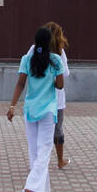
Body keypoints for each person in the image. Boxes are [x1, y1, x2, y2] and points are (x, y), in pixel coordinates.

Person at [7, 26, 64, 192]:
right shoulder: (55, 60)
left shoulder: (26, 59)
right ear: (49, 43)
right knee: (44, 151)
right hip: (48, 111)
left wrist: (12, 106)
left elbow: (20, 84)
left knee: (34, 152)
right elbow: (60, 86)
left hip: (30, 111)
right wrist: (53, 76)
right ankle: (31, 188)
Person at [27, 21, 71, 169]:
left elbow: (27, 66)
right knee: (57, 129)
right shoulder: (59, 52)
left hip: (36, 97)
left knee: (37, 131)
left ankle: (38, 161)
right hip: (56, 99)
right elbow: (65, 74)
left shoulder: (34, 49)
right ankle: (59, 160)